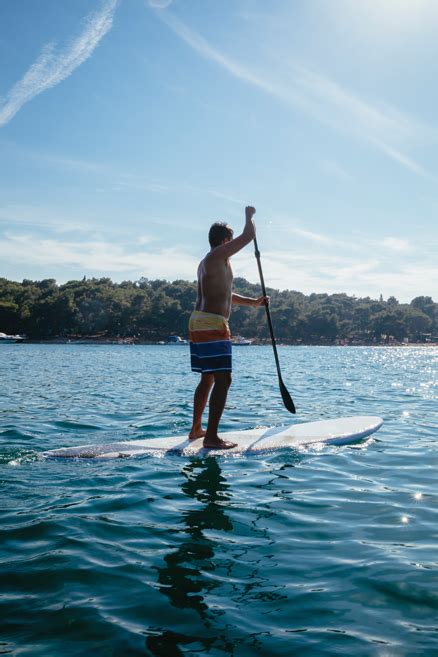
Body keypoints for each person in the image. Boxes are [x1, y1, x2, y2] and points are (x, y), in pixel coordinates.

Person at [188, 206, 268, 449]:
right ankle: (211, 437)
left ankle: (196, 429)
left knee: (208, 378)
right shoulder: (216, 257)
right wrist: (249, 216)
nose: (234, 246)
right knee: (224, 380)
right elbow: (248, 236)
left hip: (200, 321)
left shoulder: (209, 263)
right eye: (230, 242)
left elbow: (225, 294)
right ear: (224, 242)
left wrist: (252, 303)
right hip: (212, 323)